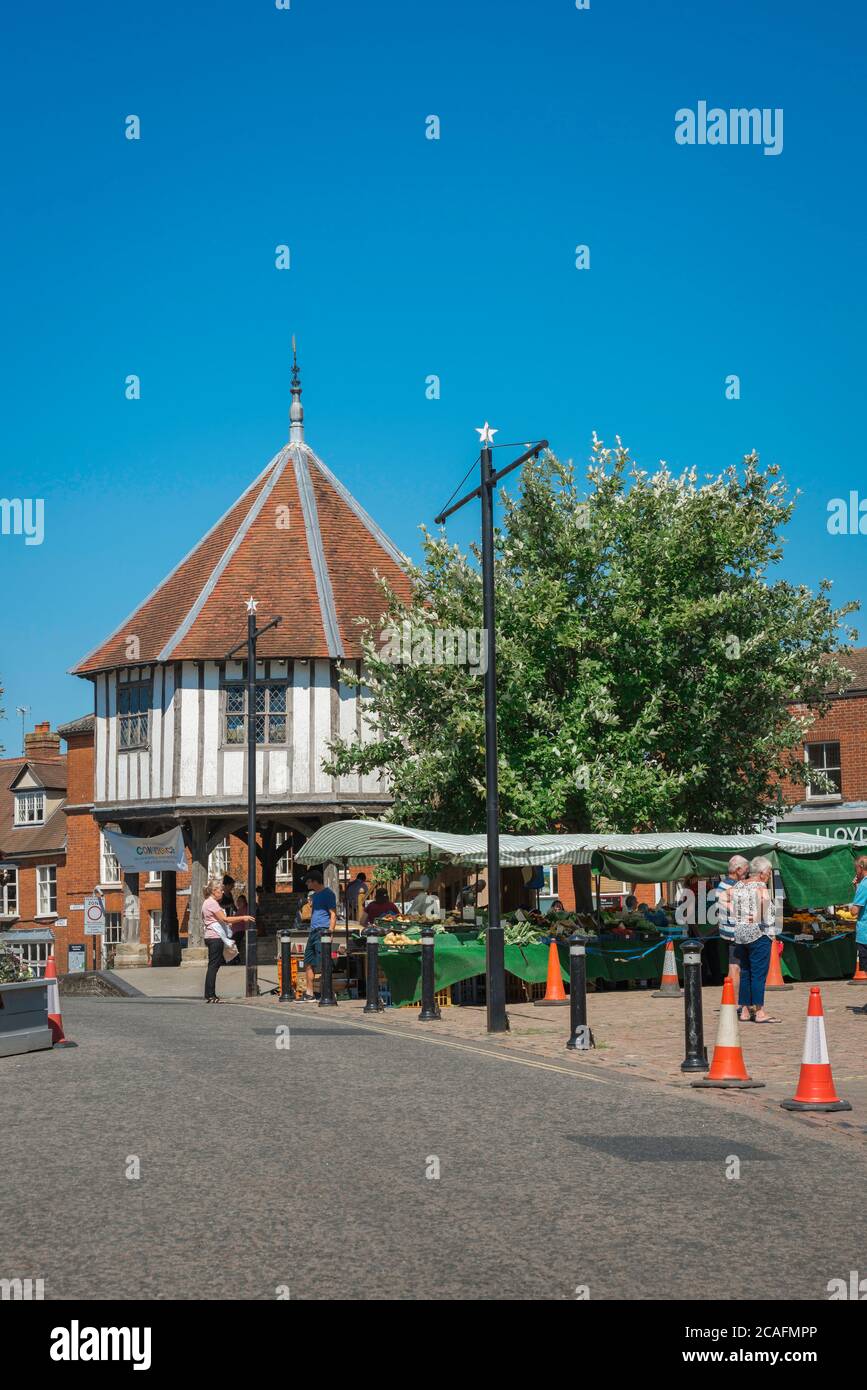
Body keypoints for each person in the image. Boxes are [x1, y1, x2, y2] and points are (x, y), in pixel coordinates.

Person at [731, 855, 779, 1023]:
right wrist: (759, 918)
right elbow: (765, 904)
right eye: (769, 872)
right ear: (762, 872)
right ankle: (759, 1012)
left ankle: (744, 1011)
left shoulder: (738, 885)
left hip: (741, 934)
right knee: (758, 974)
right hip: (759, 934)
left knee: (746, 972)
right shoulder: (760, 887)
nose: (769, 875)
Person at [202, 879, 255, 1002]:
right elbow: (224, 919)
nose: (221, 892)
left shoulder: (206, 903)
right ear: (214, 891)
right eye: (220, 890)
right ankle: (210, 994)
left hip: (211, 936)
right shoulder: (212, 903)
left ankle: (209, 994)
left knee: (213, 965)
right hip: (215, 937)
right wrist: (243, 917)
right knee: (214, 966)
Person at [715, 854, 750, 995]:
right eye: (746, 870)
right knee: (736, 968)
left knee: (733, 966)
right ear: (738, 869)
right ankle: (735, 1002)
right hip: (736, 932)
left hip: (729, 932)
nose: (747, 873)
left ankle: (730, 1000)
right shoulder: (732, 887)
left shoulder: (723, 885)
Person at [302, 871, 337, 1001]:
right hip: (313, 931)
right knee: (308, 962)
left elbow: (333, 914)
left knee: (324, 962)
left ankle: (328, 993)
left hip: (323, 931)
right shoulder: (315, 896)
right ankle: (310, 993)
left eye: (308, 881)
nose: (306, 884)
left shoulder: (328, 894)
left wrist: (330, 932)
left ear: (315, 881)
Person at [850, 856, 867, 982]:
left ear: (861, 868)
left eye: (856, 868)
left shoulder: (864, 885)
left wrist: (857, 889)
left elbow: (854, 911)